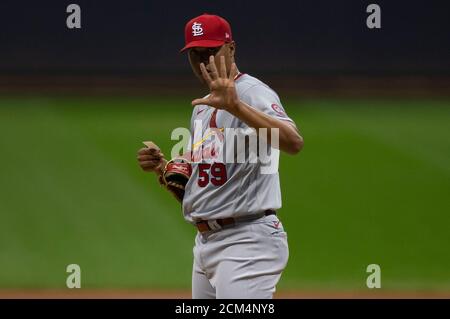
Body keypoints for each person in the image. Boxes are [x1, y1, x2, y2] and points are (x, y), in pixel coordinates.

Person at [137, 13, 303, 299]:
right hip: (206, 243)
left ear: (231, 48)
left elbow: (292, 142)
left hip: (247, 242)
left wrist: (236, 107)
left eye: (211, 51)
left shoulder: (251, 92)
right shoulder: (201, 108)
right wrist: (164, 170)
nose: (204, 62)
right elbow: (205, 184)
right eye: (196, 54)